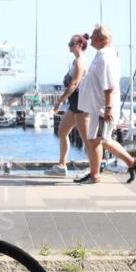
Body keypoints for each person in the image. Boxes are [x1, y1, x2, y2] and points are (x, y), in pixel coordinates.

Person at [76, 25, 136, 184]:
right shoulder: (101, 55)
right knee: (103, 140)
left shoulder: (106, 58)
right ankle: (133, 163)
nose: (90, 38)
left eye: (93, 35)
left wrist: (108, 108)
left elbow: (109, 86)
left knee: (95, 141)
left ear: (102, 40)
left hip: (102, 107)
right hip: (98, 106)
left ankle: (95, 175)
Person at [46, 33, 90, 176]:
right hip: (74, 104)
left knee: (86, 139)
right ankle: (62, 166)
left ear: (79, 45)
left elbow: (74, 84)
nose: (69, 46)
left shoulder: (81, 61)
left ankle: (93, 169)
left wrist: (60, 101)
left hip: (80, 104)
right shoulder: (76, 61)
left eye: (71, 44)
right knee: (62, 132)